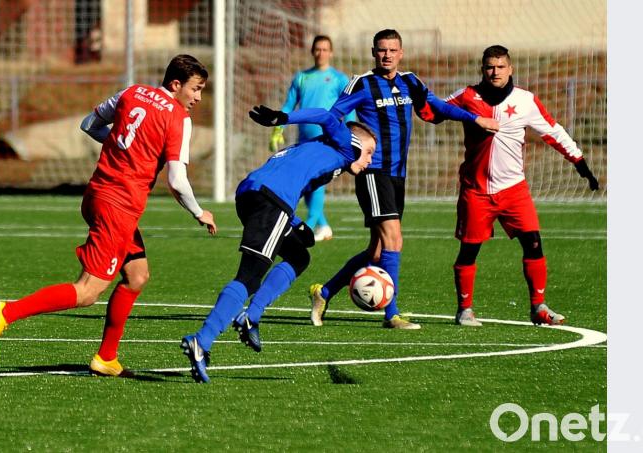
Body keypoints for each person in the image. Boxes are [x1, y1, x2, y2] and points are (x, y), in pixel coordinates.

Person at [0, 55, 217, 377]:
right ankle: (7, 312)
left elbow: (88, 125)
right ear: (176, 84)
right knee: (87, 291)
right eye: (195, 89)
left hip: (97, 194)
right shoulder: (178, 118)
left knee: (137, 276)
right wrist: (199, 212)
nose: (198, 97)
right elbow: (177, 181)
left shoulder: (131, 92)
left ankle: (106, 358)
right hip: (118, 206)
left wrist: (126, 146)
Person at [308, 29, 500, 329]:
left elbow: (438, 106)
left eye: (392, 50)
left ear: (401, 53)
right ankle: (392, 314)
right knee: (394, 239)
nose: (387, 55)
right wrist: (349, 155)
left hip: (398, 174)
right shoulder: (362, 83)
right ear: (374, 52)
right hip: (373, 172)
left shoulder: (410, 81)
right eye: (382, 50)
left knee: (377, 251)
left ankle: (324, 292)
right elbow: (333, 118)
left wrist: (474, 118)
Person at [180, 105, 376, 383]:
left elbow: (289, 178)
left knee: (298, 256)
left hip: (253, 195)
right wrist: (283, 118)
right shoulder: (347, 146)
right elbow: (327, 116)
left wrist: (295, 222)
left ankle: (251, 316)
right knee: (249, 277)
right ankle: (202, 340)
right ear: (356, 142)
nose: (369, 160)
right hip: (271, 201)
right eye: (369, 152)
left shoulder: (316, 151)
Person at [432, 45, 600, 327]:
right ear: (482, 69)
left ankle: (538, 307)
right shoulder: (467, 96)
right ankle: (464, 310)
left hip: (514, 190)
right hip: (476, 191)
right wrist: (416, 96)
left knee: (533, 243)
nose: (495, 72)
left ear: (510, 69)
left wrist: (579, 162)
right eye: (490, 66)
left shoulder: (525, 100)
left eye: (500, 66)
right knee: (469, 250)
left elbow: (553, 131)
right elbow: (434, 111)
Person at [270, 35, 356, 242]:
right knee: (307, 183)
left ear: (331, 53)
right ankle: (323, 226)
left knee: (316, 182)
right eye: (317, 49)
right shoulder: (302, 77)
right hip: (305, 139)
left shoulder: (339, 79)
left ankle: (308, 226)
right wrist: (278, 130)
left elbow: (349, 109)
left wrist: (351, 132)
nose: (321, 53)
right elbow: (289, 105)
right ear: (312, 51)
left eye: (325, 49)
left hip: (327, 140)